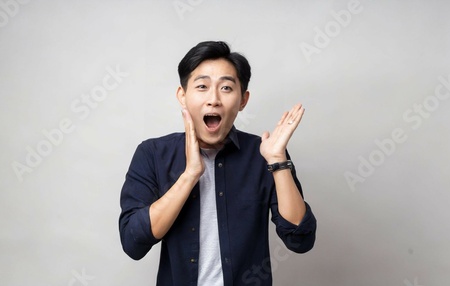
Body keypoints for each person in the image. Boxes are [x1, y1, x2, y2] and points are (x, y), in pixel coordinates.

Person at [119, 41, 316, 286]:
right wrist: (190, 174)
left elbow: (300, 240)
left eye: (226, 88)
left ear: (243, 100)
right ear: (182, 95)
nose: (213, 99)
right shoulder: (152, 153)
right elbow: (132, 242)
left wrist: (277, 161)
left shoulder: (264, 155)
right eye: (202, 86)